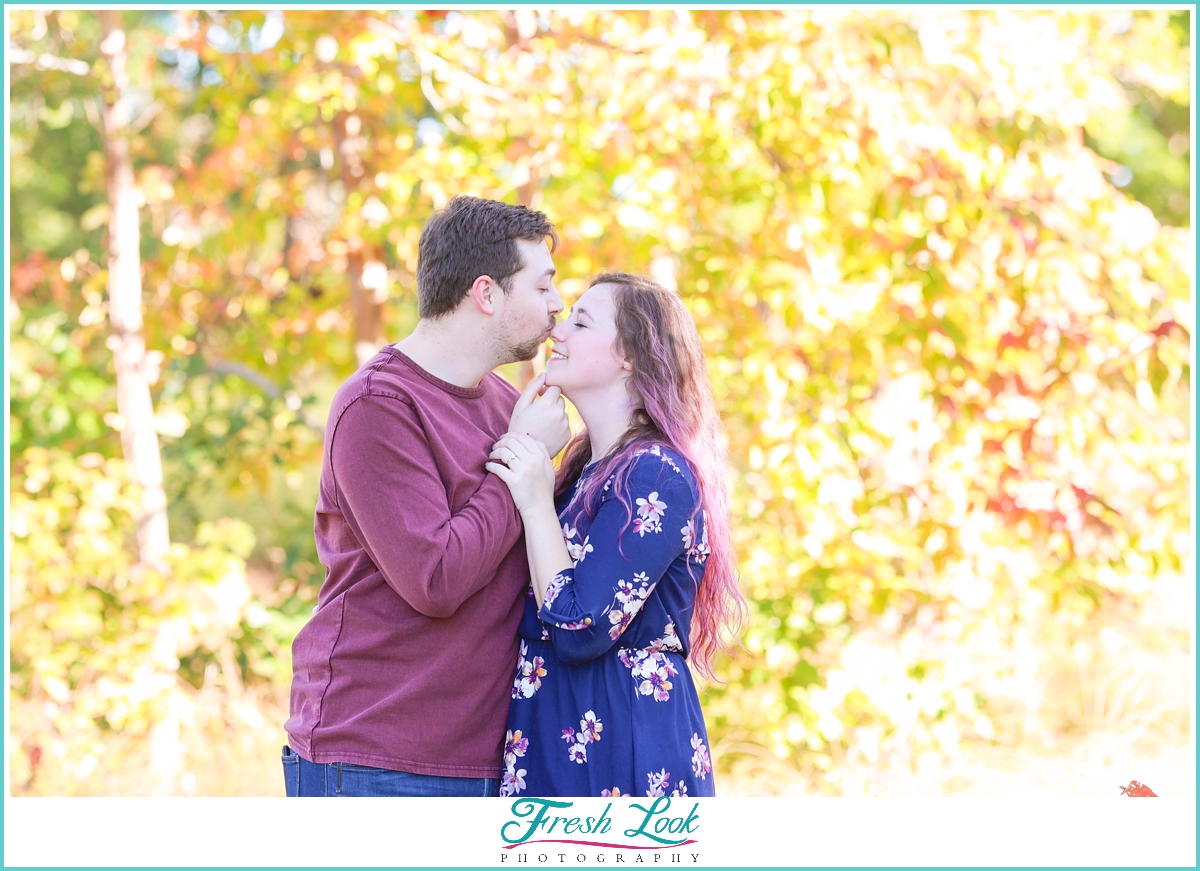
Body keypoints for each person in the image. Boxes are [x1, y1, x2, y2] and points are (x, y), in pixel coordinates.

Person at [282, 196, 571, 797]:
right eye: (543, 285)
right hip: (375, 758)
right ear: (486, 293)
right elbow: (434, 579)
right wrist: (523, 460)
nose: (557, 304)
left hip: (486, 757)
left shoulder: (503, 406)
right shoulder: (378, 406)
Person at [486, 273, 746, 798]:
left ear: (630, 355)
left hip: (622, 748)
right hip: (555, 735)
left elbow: (582, 625)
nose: (557, 332)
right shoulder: (585, 470)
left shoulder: (655, 475)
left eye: (581, 322)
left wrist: (535, 500)